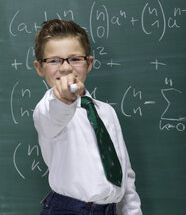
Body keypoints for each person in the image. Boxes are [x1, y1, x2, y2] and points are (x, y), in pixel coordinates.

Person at [33, 19, 142, 215]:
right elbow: (54, 116)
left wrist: (132, 211)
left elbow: (124, 173)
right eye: (54, 60)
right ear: (39, 68)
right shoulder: (47, 109)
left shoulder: (107, 112)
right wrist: (65, 100)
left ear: (89, 63)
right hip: (68, 210)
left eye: (75, 59)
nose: (66, 68)